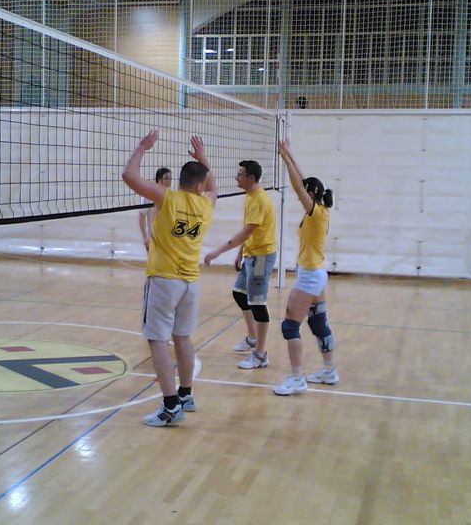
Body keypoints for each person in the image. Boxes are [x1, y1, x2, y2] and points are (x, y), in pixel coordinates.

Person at [122, 130, 216, 427]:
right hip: (191, 282)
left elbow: (129, 176)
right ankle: (186, 395)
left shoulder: (167, 197)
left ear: (180, 181)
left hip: (164, 280)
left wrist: (142, 146)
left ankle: (170, 405)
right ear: (199, 186)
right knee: (183, 338)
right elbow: (213, 187)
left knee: (158, 341)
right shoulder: (206, 204)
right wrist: (203, 157)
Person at [273, 139, 339, 396]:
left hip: (310, 276)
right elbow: (304, 182)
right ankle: (329, 371)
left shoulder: (315, 212)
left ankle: (297, 378)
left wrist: (285, 160)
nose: (301, 194)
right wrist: (289, 155)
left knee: (290, 326)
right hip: (317, 273)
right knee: (319, 322)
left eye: (305, 192)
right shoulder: (321, 208)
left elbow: (298, 185)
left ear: (310, 194)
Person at [204, 159, 276, 370]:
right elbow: (250, 231)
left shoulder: (259, 200)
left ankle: (260, 355)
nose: (236, 177)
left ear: (251, 178)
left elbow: (245, 232)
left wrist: (217, 252)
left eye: (240, 174)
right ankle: (252, 338)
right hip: (251, 254)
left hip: (261, 258)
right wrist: (240, 253)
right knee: (239, 293)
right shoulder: (250, 196)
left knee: (258, 304)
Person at [138, 168, 172, 251]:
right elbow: (142, 216)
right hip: (153, 238)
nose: (169, 181)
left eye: (170, 178)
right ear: (159, 180)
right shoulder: (149, 194)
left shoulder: (170, 194)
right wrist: (145, 237)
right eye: (166, 178)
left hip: (168, 238)